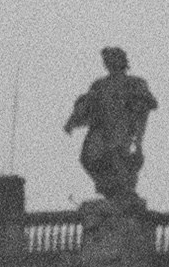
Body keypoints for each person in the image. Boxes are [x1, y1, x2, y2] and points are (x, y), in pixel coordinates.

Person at [65, 48, 157, 200]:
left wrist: (136, 105)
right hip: (101, 128)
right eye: (106, 60)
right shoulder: (99, 85)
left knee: (116, 155)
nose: (108, 62)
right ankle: (107, 185)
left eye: (112, 58)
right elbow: (86, 104)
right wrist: (73, 120)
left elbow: (148, 102)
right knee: (87, 157)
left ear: (122, 61)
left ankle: (123, 187)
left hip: (123, 127)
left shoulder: (134, 82)